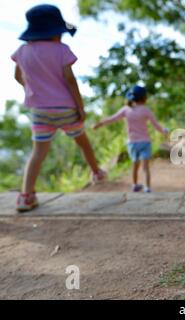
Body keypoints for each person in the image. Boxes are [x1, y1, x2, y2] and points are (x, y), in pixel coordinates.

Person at [12, 4, 106, 212]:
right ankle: (97, 172)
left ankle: (25, 196)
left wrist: (32, 88)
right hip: (65, 109)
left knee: (38, 153)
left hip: (39, 111)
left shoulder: (22, 51)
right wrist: (80, 107)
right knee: (83, 142)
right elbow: (70, 80)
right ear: (55, 32)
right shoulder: (62, 50)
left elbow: (18, 77)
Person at [94, 86, 168, 193]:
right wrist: (164, 131)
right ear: (144, 98)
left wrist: (99, 124)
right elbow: (156, 125)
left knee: (135, 165)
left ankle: (134, 185)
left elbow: (112, 119)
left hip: (132, 143)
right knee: (145, 167)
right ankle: (147, 187)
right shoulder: (146, 110)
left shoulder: (125, 110)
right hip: (145, 142)